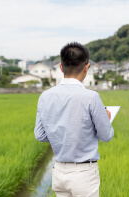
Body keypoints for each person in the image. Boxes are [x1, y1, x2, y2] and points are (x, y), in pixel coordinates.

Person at [34, 42, 114, 197]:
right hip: (84, 174)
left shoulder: (45, 96)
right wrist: (106, 118)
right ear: (86, 67)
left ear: (61, 67)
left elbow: (40, 135)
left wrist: (60, 131)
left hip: (58, 172)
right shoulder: (91, 97)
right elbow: (106, 136)